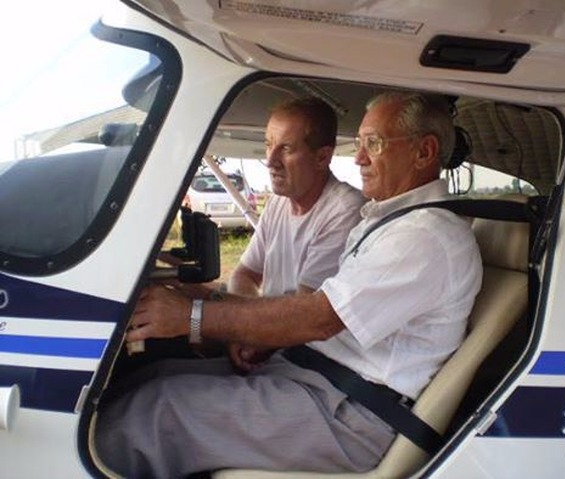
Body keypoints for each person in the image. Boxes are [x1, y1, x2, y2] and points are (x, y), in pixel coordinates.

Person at [95, 91, 483, 478]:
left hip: (352, 414)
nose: (360, 158)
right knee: (155, 377)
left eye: (374, 144)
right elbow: (296, 304)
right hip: (317, 379)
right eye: (360, 144)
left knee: (153, 414)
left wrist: (192, 316)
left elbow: (318, 317)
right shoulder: (391, 223)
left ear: (424, 152)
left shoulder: (424, 235)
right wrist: (205, 305)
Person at [228, 96, 365, 298]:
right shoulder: (278, 203)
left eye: (286, 148)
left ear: (322, 158)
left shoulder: (345, 209)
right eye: (269, 145)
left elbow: (303, 309)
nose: (271, 161)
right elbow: (243, 276)